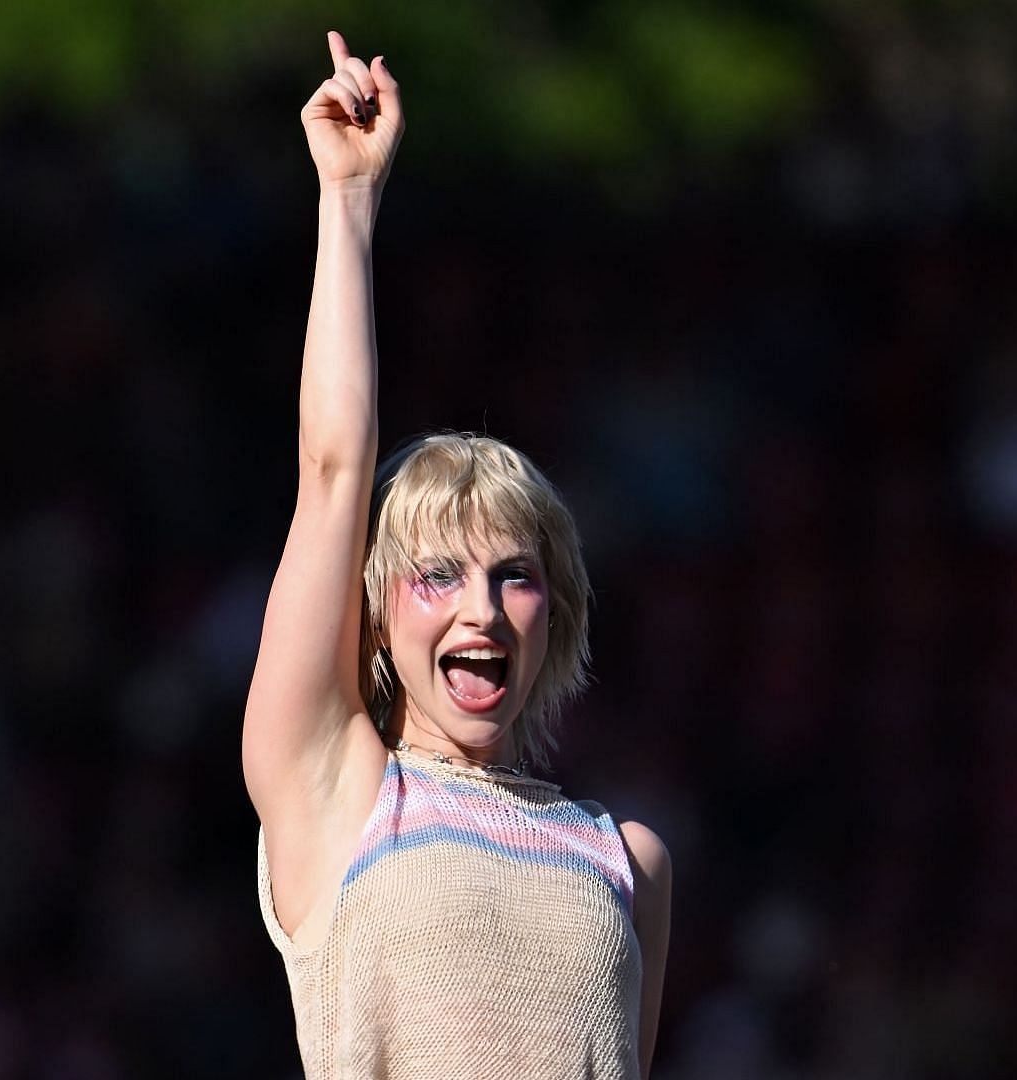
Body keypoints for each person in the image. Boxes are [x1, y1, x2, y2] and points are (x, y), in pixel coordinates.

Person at [242, 30, 673, 1080]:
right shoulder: (337, 793)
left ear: (555, 615)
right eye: (437, 574)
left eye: (514, 575)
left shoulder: (629, 860)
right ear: (380, 615)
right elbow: (336, 468)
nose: (479, 608)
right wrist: (347, 202)